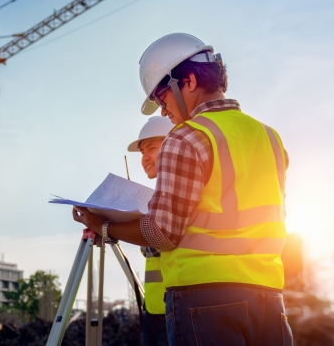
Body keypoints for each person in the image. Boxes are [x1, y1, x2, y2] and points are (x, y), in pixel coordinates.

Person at [72, 33, 292, 345]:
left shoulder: (186, 137)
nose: (163, 112)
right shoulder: (270, 138)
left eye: (162, 99)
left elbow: (163, 232)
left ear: (187, 81)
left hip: (205, 300)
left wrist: (104, 226)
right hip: (269, 298)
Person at [127, 116, 174, 346]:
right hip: (153, 309)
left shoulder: (175, 194)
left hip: (174, 311)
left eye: (151, 149)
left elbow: (160, 242)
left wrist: (109, 227)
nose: (144, 158)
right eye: (142, 152)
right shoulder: (154, 199)